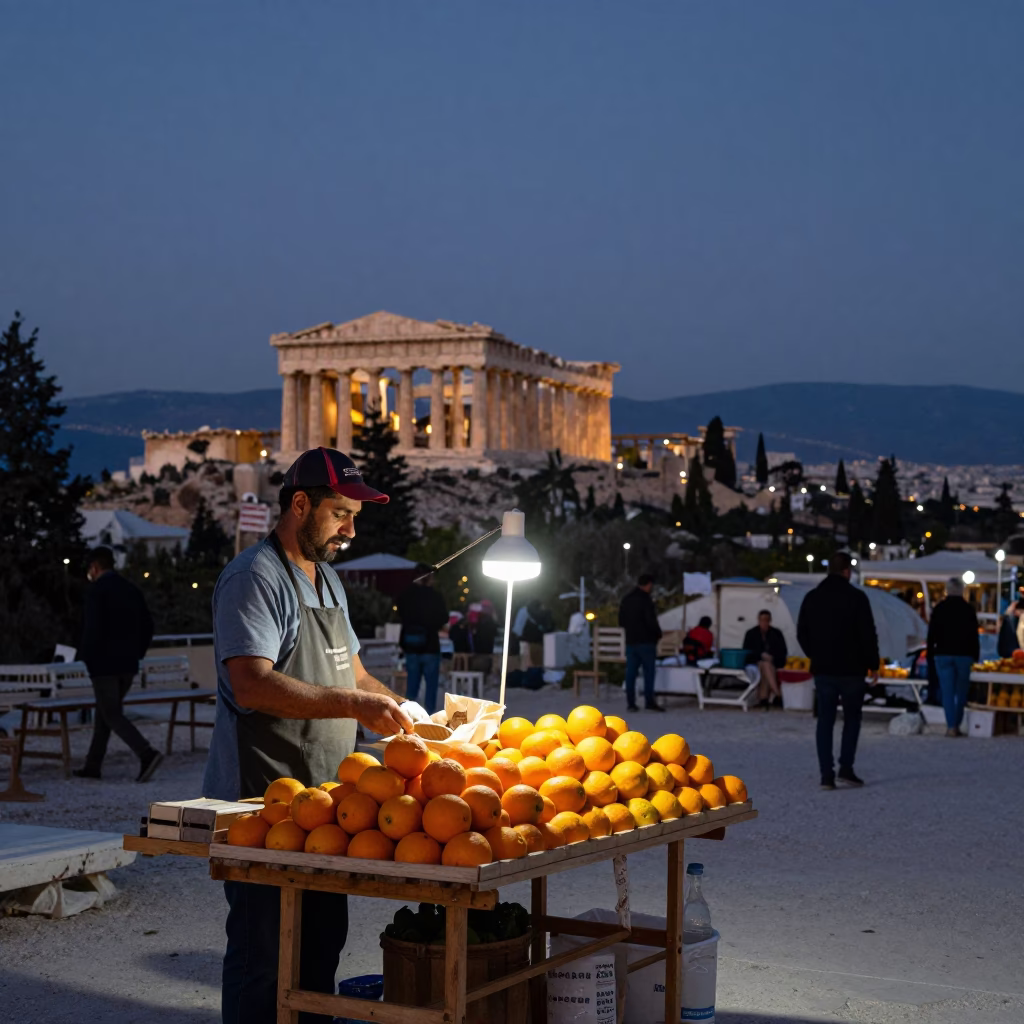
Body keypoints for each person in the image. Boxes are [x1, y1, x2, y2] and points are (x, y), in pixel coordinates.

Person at [202, 446, 413, 1024]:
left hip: (327, 805)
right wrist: (353, 703)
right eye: (340, 513)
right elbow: (250, 684)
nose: (349, 529)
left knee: (320, 948)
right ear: (300, 503)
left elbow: (354, 673)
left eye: (354, 518)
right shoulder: (254, 577)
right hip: (261, 805)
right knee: (264, 953)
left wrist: (408, 709)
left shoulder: (329, 582)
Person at [73, 546, 161, 782]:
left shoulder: (97, 591)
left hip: (104, 665)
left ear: (94, 567)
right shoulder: (130, 589)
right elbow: (147, 625)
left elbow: (92, 628)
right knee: (105, 713)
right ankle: (93, 765)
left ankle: (146, 753)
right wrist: (137, 653)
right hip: (128, 663)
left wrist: (87, 657)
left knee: (111, 713)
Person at [797, 551, 879, 789]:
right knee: (852, 719)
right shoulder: (857, 597)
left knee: (825, 721)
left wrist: (815, 654)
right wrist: (873, 664)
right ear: (847, 571)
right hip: (853, 669)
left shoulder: (812, 597)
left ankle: (826, 775)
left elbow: (802, 632)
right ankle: (846, 768)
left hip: (824, 668)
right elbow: (868, 633)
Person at [927, 577, 980, 737]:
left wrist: (930, 653)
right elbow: (974, 635)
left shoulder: (939, 608)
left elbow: (932, 634)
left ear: (947, 590)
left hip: (942, 653)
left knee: (947, 692)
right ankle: (956, 723)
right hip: (964, 655)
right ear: (962, 590)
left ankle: (951, 726)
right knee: (961, 691)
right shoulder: (969, 609)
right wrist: (975, 655)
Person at [396, 566, 449, 714]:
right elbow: (444, 618)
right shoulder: (435, 596)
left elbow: (400, 613)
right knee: (431, 686)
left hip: (410, 645)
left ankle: (408, 716)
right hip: (430, 645)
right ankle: (430, 717)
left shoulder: (406, 595)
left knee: (412, 685)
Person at [618, 573, 664, 712]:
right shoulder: (646, 600)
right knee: (648, 672)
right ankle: (649, 701)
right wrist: (658, 634)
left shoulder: (626, 599)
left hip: (631, 641)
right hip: (647, 641)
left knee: (631, 672)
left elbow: (621, 621)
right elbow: (651, 620)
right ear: (649, 584)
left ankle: (631, 703)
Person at [742, 610, 788, 709]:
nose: (764, 622)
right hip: (755, 662)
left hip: (772, 662)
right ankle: (777, 693)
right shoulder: (751, 633)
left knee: (765, 667)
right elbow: (747, 651)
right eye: (762, 620)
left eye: (766, 620)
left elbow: (783, 651)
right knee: (765, 665)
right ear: (758, 620)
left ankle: (764, 698)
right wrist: (761, 655)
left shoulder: (776, 634)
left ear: (770, 620)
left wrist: (772, 657)